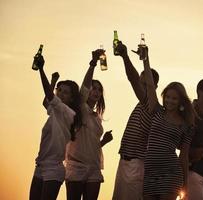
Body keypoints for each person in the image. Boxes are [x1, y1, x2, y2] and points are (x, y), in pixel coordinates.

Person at [142, 47, 195, 200]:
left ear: (181, 102)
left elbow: (184, 157)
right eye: (168, 97)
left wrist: (185, 184)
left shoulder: (186, 125)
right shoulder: (157, 111)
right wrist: (146, 59)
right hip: (150, 172)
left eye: (174, 98)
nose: (170, 101)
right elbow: (150, 86)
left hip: (170, 174)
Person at [29, 55, 81, 200]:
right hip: (40, 165)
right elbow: (46, 102)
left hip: (54, 168)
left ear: (71, 98)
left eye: (66, 92)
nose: (61, 94)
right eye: (60, 90)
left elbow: (49, 96)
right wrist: (52, 82)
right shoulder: (54, 109)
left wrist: (41, 69)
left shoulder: (68, 113)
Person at [112, 42, 159, 200]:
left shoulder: (151, 105)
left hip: (137, 165)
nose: (139, 86)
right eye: (141, 82)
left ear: (154, 86)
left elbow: (131, 78)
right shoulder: (142, 103)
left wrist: (125, 56)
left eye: (144, 83)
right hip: (125, 162)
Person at [65, 50, 113, 200]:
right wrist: (93, 64)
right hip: (76, 166)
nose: (96, 91)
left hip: (94, 167)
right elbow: (84, 88)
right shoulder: (80, 108)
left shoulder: (97, 118)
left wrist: (103, 141)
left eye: (99, 90)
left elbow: (91, 145)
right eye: (94, 88)